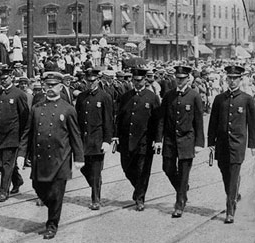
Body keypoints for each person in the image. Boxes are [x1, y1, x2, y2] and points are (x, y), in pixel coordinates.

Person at [19, 72, 84, 240]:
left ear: (61, 87)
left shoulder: (68, 109)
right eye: (47, 85)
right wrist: (21, 154)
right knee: (38, 188)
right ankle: (53, 209)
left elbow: (75, 135)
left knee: (56, 194)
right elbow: (27, 133)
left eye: (53, 85)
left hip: (60, 159)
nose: (49, 88)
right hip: (40, 158)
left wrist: (79, 157)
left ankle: (52, 224)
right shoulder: (37, 108)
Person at [155, 65, 204, 218]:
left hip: (186, 140)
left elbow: (198, 121)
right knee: (167, 168)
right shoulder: (169, 95)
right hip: (170, 140)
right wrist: (158, 139)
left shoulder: (194, 96)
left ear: (188, 79)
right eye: (177, 78)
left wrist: (199, 143)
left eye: (183, 78)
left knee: (184, 173)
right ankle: (182, 189)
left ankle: (180, 203)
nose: (180, 81)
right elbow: (162, 119)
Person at [208, 65, 255, 224]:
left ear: (241, 80)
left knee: (233, 174)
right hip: (221, 144)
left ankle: (230, 210)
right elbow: (213, 122)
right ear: (226, 79)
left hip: (237, 144)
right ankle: (234, 193)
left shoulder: (247, 99)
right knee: (225, 173)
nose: (232, 81)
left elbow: (252, 124)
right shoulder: (219, 98)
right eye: (230, 78)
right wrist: (211, 142)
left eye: (235, 78)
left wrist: (252, 144)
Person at [115, 68, 161, 211]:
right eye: (135, 80)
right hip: (126, 140)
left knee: (142, 170)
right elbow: (119, 118)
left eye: (140, 80)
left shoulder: (152, 97)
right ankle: (139, 188)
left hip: (144, 141)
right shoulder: (125, 96)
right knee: (127, 168)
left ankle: (140, 198)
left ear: (145, 80)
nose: (137, 83)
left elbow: (158, 120)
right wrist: (115, 136)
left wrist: (158, 140)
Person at [0, 68, 29, 202]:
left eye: (6, 78)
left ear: (12, 78)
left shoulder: (19, 94)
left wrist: (21, 137)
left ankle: (3, 191)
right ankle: (17, 180)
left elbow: (25, 117)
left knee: (6, 164)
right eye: (1, 79)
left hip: (12, 135)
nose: (3, 81)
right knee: (3, 163)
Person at [75, 68, 113, 210]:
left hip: (97, 139)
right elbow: (78, 118)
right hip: (83, 140)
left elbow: (108, 120)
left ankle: (95, 198)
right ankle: (96, 185)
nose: (90, 83)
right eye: (87, 81)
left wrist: (107, 140)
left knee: (96, 171)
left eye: (92, 81)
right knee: (83, 167)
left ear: (98, 80)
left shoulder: (105, 97)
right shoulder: (81, 97)